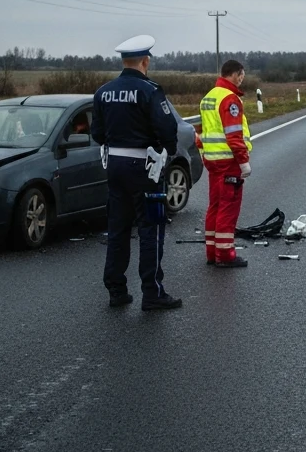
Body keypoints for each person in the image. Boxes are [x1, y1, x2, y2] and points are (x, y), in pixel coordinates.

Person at [91, 34, 183, 311]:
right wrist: (165, 150)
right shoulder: (150, 91)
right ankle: (152, 293)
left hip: (115, 168)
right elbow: (168, 130)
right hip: (145, 169)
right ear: (145, 61)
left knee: (117, 229)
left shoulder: (103, 92)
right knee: (151, 229)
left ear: (124, 61)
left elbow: (97, 133)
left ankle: (116, 290)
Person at [199, 59, 252, 268]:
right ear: (236, 74)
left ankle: (212, 252)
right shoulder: (230, 100)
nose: (242, 79)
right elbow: (234, 135)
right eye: (242, 75)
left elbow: (202, 134)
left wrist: (205, 155)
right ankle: (225, 254)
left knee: (215, 205)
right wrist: (243, 161)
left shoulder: (208, 98)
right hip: (229, 161)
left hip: (212, 161)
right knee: (228, 207)